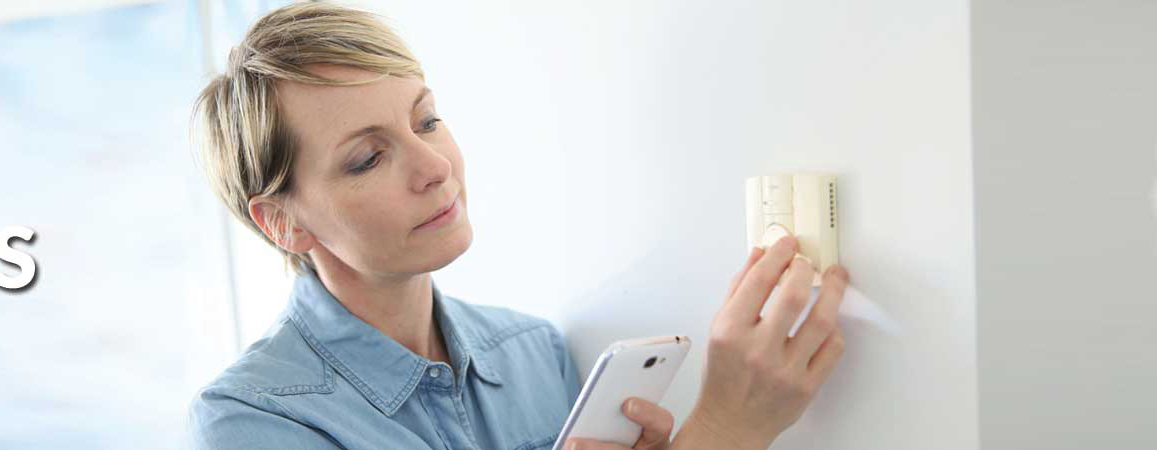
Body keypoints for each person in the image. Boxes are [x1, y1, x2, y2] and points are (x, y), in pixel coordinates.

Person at [188, 3, 850, 449]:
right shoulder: (254, 417)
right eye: (368, 158)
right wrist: (724, 427)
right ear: (283, 223)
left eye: (425, 121)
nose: (434, 167)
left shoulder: (533, 352)